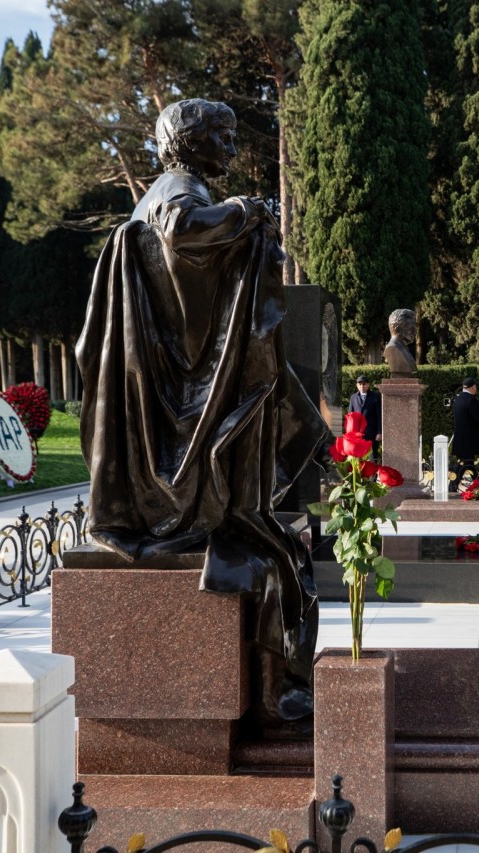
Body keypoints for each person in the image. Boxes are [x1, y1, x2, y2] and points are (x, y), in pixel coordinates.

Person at [76, 98, 330, 723]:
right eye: (221, 135)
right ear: (189, 141)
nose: (232, 147)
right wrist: (244, 210)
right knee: (268, 544)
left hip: (182, 399)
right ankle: (281, 684)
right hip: (187, 408)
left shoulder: (173, 189)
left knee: (276, 540)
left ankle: (281, 676)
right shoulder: (176, 191)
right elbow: (183, 229)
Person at [451, 376, 479, 490]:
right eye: (475, 387)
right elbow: (477, 417)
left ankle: (478, 485)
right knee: (466, 463)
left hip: (460, 438)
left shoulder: (458, 399)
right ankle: (452, 485)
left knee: (466, 462)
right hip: (469, 439)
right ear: (472, 387)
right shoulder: (471, 399)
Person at [347, 375, 382, 456]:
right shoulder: (353, 397)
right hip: (358, 434)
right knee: (359, 457)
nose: (362, 386)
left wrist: (379, 432)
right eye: (360, 384)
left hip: (371, 433)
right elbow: (350, 417)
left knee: (372, 456)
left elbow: (379, 415)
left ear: (368, 385)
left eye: (364, 384)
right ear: (357, 385)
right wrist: (350, 434)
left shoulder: (375, 396)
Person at [384, 308, 417, 377]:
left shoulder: (404, 349)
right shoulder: (392, 349)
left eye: (415, 326)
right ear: (397, 328)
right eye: (410, 326)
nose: (414, 331)